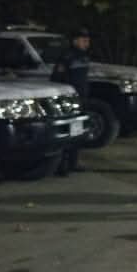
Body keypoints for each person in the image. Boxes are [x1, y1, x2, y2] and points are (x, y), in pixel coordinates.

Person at [50, 28, 91, 175]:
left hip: (81, 97)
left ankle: (73, 162)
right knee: (67, 132)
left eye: (88, 41)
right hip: (69, 99)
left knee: (78, 131)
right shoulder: (67, 57)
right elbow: (56, 78)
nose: (87, 43)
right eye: (84, 40)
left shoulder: (84, 56)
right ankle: (61, 166)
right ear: (75, 41)